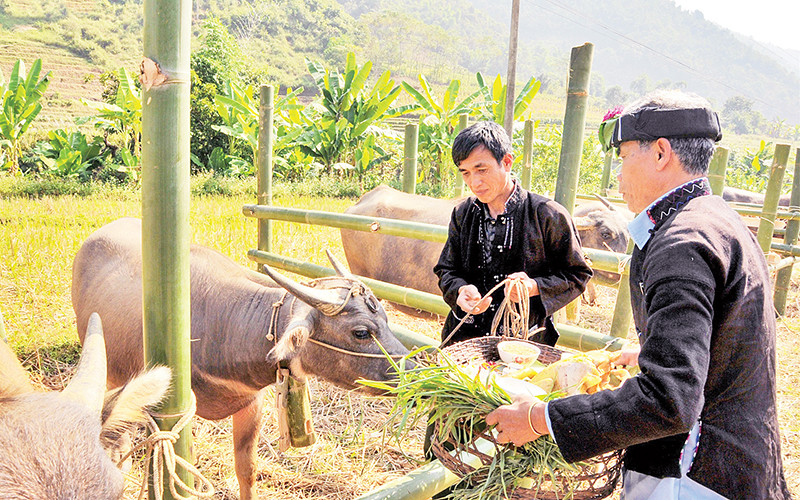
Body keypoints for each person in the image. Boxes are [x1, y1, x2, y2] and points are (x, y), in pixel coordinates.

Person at [486, 90, 791, 499]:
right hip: (742, 461)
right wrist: (650, 349)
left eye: (626, 155)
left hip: (692, 473)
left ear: (661, 153)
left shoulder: (681, 244)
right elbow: (721, 341)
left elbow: (670, 397)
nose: (619, 174)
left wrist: (542, 418)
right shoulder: (721, 221)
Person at [433, 121, 592, 348]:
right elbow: (446, 269)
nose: (474, 182)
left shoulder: (548, 214)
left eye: (481, 169)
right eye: (465, 173)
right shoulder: (463, 213)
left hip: (523, 344)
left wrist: (533, 287)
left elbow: (577, 274)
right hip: (463, 339)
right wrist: (460, 291)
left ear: (507, 162)